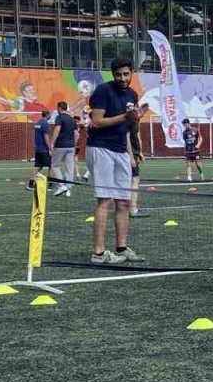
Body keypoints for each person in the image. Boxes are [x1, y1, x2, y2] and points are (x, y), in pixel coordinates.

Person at [86, 58, 144, 265]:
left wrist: (136, 119)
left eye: (126, 74)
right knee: (105, 201)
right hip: (101, 148)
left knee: (123, 201)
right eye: (118, 74)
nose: (122, 78)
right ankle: (99, 253)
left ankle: (121, 247)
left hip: (121, 150)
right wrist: (125, 117)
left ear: (132, 73)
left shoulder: (132, 94)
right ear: (113, 74)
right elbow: (97, 121)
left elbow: (132, 129)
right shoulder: (103, 91)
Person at [49, 100, 77, 196]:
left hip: (61, 145)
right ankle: (68, 189)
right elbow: (76, 134)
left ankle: (61, 186)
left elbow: (57, 129)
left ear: (59, 108)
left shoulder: (59, 117)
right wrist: (75, 144)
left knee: (54, 164)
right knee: (70, 168)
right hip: (71, 146)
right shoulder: (72, 119)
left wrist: (52, 143)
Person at [129, 103, 149, 218]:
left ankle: (125, 206)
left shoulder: (126, 120)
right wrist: (134, 155)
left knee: (125, 181)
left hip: (127, 154)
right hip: (130, 155)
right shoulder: (133, 122)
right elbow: (133, 137)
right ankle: (133, 209)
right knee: (134, 181)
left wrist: (140, 152)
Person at [32, 108, 52, 184]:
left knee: (38, 166)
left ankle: (31, 183)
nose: (50, 115)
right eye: (50, 114)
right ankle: (50, 185)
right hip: (44, 149)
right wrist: (49, 148)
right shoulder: (45, 123)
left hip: (38, 148)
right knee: (52, 166)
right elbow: (46, 137)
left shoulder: (38, 123)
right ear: (47, 115)